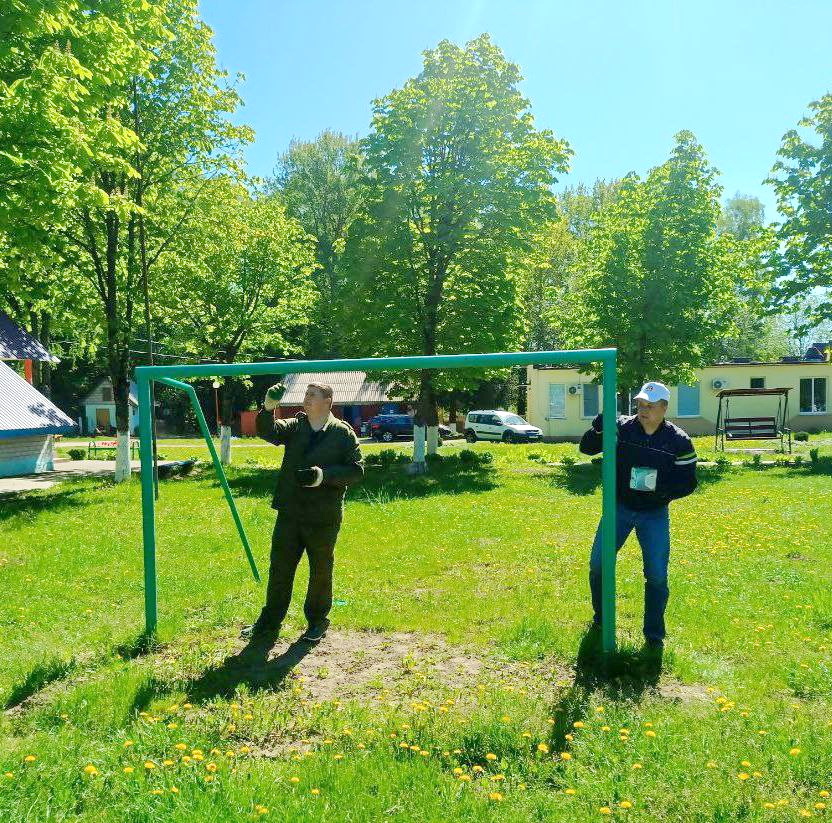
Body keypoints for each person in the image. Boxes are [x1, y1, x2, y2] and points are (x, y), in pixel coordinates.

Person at [242, 381, 364, 643]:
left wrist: (322, 476)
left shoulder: (342, 433)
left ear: (328, 401)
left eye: (313, 395)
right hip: (290, 512)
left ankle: (317, 622)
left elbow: (356, 471)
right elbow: (269, 431)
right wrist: (268, 408)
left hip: (323, 516)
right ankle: (269, 622)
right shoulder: (296, 426)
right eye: (306, 394)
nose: (306, 398)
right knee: (280, 569)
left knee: (320, 570)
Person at [579, 381, 697, 649]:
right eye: (640, 404)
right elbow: (587, 448)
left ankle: (654, 635)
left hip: (654, 513)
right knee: (598, 565)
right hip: (619, 508)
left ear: (664, 408)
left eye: (650, 406)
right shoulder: (622, 428)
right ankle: (601, 619)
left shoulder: (678, 440)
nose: (643, 410)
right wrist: (598, 429)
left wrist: (662, 492)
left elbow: (688, 482)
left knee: (656, 575)